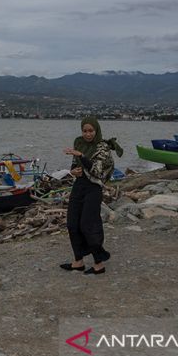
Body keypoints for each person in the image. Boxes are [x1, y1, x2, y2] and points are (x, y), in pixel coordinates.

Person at [59, 117, 123, 275]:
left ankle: (98, 263)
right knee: (72, 224)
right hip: (79, 186)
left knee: (88, 224)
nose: (88, 134)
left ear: (96, 130)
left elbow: (97, 171)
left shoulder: (102, 147)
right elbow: (75, 164)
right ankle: (78, 261)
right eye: (85, 131)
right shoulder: (79, 142)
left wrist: (81, 156)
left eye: (91, 131)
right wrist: (73, 171)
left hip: (93, 188)